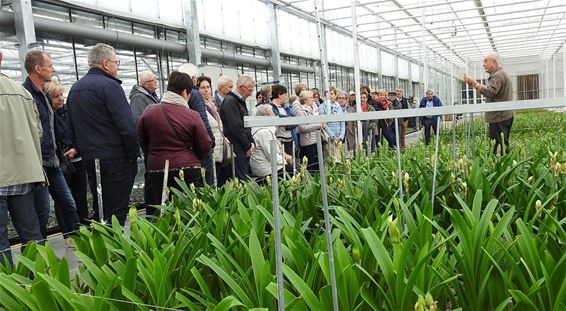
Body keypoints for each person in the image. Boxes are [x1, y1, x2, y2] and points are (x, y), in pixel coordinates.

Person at [67, 43, 139, 225]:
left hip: (91, 159)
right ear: (106, 63)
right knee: (116, 213)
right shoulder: (110, 87)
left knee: (100, 210)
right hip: (116, 159)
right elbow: (127, 126)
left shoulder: (75, 89)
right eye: (117, 62)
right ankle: (114, 250)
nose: (118, 66)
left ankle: (100, 249)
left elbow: (72, 126)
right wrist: (133, 154)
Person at [22, 50, 80, 240]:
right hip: (38, 164)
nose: (53, 69)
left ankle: (72, 238)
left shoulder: (44, 96)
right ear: (38, 69)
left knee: (68, 203)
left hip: (53, 162)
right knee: (42, 212)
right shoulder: (26, 95)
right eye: (50, 66)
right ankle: (39, 251)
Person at [138, 71, 212, 206]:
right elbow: (205, 144)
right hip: (187, 169)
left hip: (157, 169)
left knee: (163, 208)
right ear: (185, 92)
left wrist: (154, 155)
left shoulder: (149, 111)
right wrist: (194, 156)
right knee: (189, 210)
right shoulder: (192, 115)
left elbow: (142, 139)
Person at [0, 51, 45, 265]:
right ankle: (40, 288)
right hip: (23, 175)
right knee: (32, 238)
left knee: (0, 245)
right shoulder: (21, 91)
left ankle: (7, 294)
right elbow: (38, 131)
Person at [45, 81, 90, 237]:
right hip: (59, 164)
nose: (61, 99)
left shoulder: (69, 113)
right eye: (56, 96)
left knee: (81, 197)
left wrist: (76, 148)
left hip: (77, 161)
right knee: (64, 201)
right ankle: (69, 233)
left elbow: (81, 132)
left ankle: (85, 228)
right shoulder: (48, 117)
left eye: (61, 95)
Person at [464, 52, 514, 155]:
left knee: (498, 146)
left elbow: (490, 92)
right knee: (501, 144)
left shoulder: (498, 75)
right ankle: (504, 165)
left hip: (500, 116)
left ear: (494, 62)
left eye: (486, 61)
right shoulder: (499, 74)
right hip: (501, 115)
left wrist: (474, 83)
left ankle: (500, 166)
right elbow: (492, 91)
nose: (483, 64)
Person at [178, 63, 215, 185]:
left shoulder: (175, 94)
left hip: (183, 149)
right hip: (199, 146)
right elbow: (202, 120)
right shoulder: (194, 94)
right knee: (204, 182)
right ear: (193, 78)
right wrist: (211, 140)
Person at [129, 70, 160, 214]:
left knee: (154, 178)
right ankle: (152, 211)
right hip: (150, 146)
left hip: (154, 145)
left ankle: (156, 208)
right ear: (146, 84)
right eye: (154, 81)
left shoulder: (151, 96)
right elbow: (138, 121)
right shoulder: (139, 98)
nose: (156, 83)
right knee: (151, 179)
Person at [219, 75, 256, 181]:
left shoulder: (238, 101)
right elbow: (236, 127)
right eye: (249, 90)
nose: (250, 93)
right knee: (241, 180)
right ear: (241, 87)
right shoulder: (231, 101)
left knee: (244, 177)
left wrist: (251, 143)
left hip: (242, 147)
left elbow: (245, 125)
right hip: (237, 148)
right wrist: (248, 145)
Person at [197, 76, 230, 187]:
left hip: (218, 151)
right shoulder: (199, 107)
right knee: (209, 183)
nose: (206, 90)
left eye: (208, 87)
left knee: (218, 182)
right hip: (210, 150)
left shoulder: (213, 106)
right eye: (202, 87)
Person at [250, 105, 293, 182]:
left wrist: (284, 155)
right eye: (272, 113)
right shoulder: (264, 132)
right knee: (294, 172)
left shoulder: (263, 129)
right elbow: (271, 155)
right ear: (266, 116)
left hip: (266, 166)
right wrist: (285, 161)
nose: (274, 115)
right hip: (266, 169)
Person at [296, 90, 325, 172]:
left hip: (317, 140)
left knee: (318, 166)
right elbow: (303, 128)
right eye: (311, 98)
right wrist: (317, 125)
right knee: (309, 167)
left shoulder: (315, 108)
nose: (313, 99)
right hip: (308, 143)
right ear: (305, 100)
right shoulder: (301, 111)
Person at [319, 86, 345, 162]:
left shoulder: (338, 106)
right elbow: (323, 124)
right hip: (329, 138)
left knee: (339, 159)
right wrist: (332, 136)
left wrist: (340, 137)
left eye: (332, 93)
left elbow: (342, 122)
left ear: (335, 95)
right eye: (328, 94)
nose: (330, 96)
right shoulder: (322, 107)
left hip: (338, 138)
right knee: (330, 159)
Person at [270, 84, 295, 156]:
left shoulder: (286, 107)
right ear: (279, 95)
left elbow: (295, 121)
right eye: (285, 94)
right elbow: (276, 118)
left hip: (289, 139)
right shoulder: (270, 107)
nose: (286, 97)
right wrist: (289, 119)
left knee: (290, 162)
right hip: (279, 140)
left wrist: (286, 125)